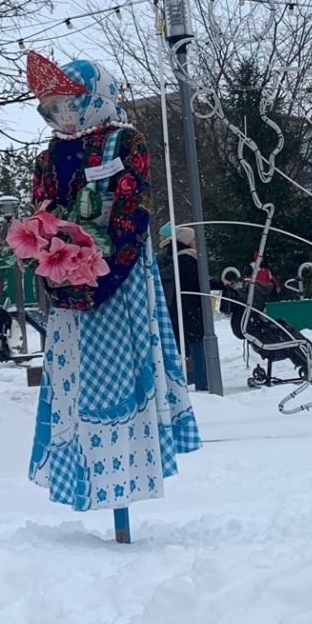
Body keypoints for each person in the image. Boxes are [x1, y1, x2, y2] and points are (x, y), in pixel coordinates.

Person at [20, 54, 199, 517]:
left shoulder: (125, 140)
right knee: (77, 381)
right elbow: (42, 212)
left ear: (95, 98)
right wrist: (53, 260)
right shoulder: (48, 157)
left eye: (67, 103)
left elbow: (131, 212)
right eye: (50, 108)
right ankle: (86, 470)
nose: (60, 115)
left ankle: (127, 468)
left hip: (119, 282)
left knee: (123, 371)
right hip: (67, 286)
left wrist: (99, 268)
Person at [159, 225, 211, 391]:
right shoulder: (186, 260)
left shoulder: (175, 259)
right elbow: (198, 283)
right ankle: (201, 380)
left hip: (181, 308)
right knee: (196, 344)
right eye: (193, 239)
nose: (196, 242)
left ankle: (190, 377)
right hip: (190, 308)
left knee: (185, 345)